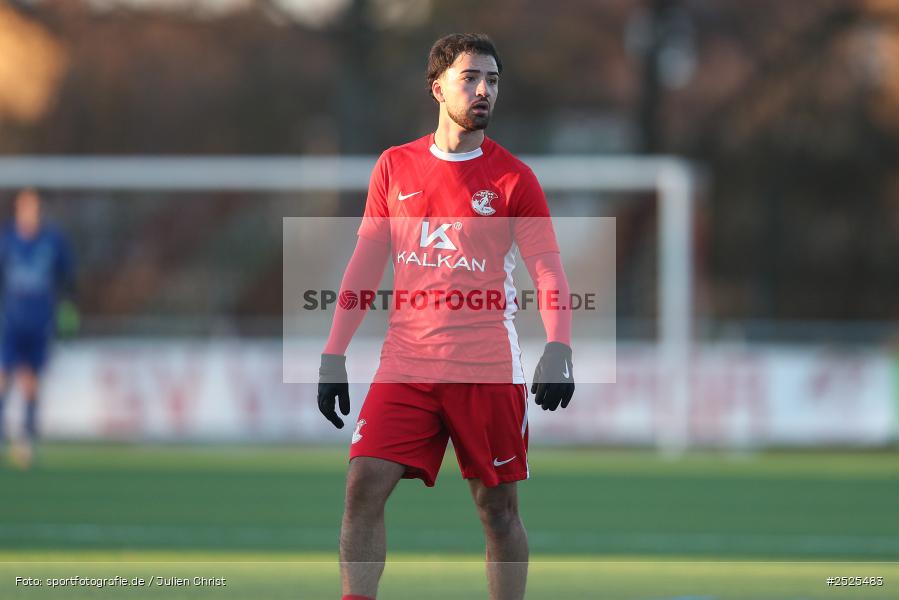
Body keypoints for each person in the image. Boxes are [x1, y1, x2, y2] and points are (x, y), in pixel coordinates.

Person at [317, 33, 575, 600]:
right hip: (406, 364)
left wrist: (559, 345)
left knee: (497, 510)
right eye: (471, 78)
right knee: (363, 485)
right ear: (437, 88)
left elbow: (548, 271)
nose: (484, 91)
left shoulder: (514, 179)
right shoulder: (395, 167)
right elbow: (364, 266)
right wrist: (333, 354)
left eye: (493, 81)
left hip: (486, 367)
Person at [0, 188, 75, 468]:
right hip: (10, 320)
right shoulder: (7, 240)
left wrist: (68, 307)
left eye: (35, 208)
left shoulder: (53, 241)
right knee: (3, 375)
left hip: (40, 321)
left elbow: (68, 277)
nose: (32, 213)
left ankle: (26, 437)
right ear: (18, 210)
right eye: (26, 207)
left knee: (31, 380)